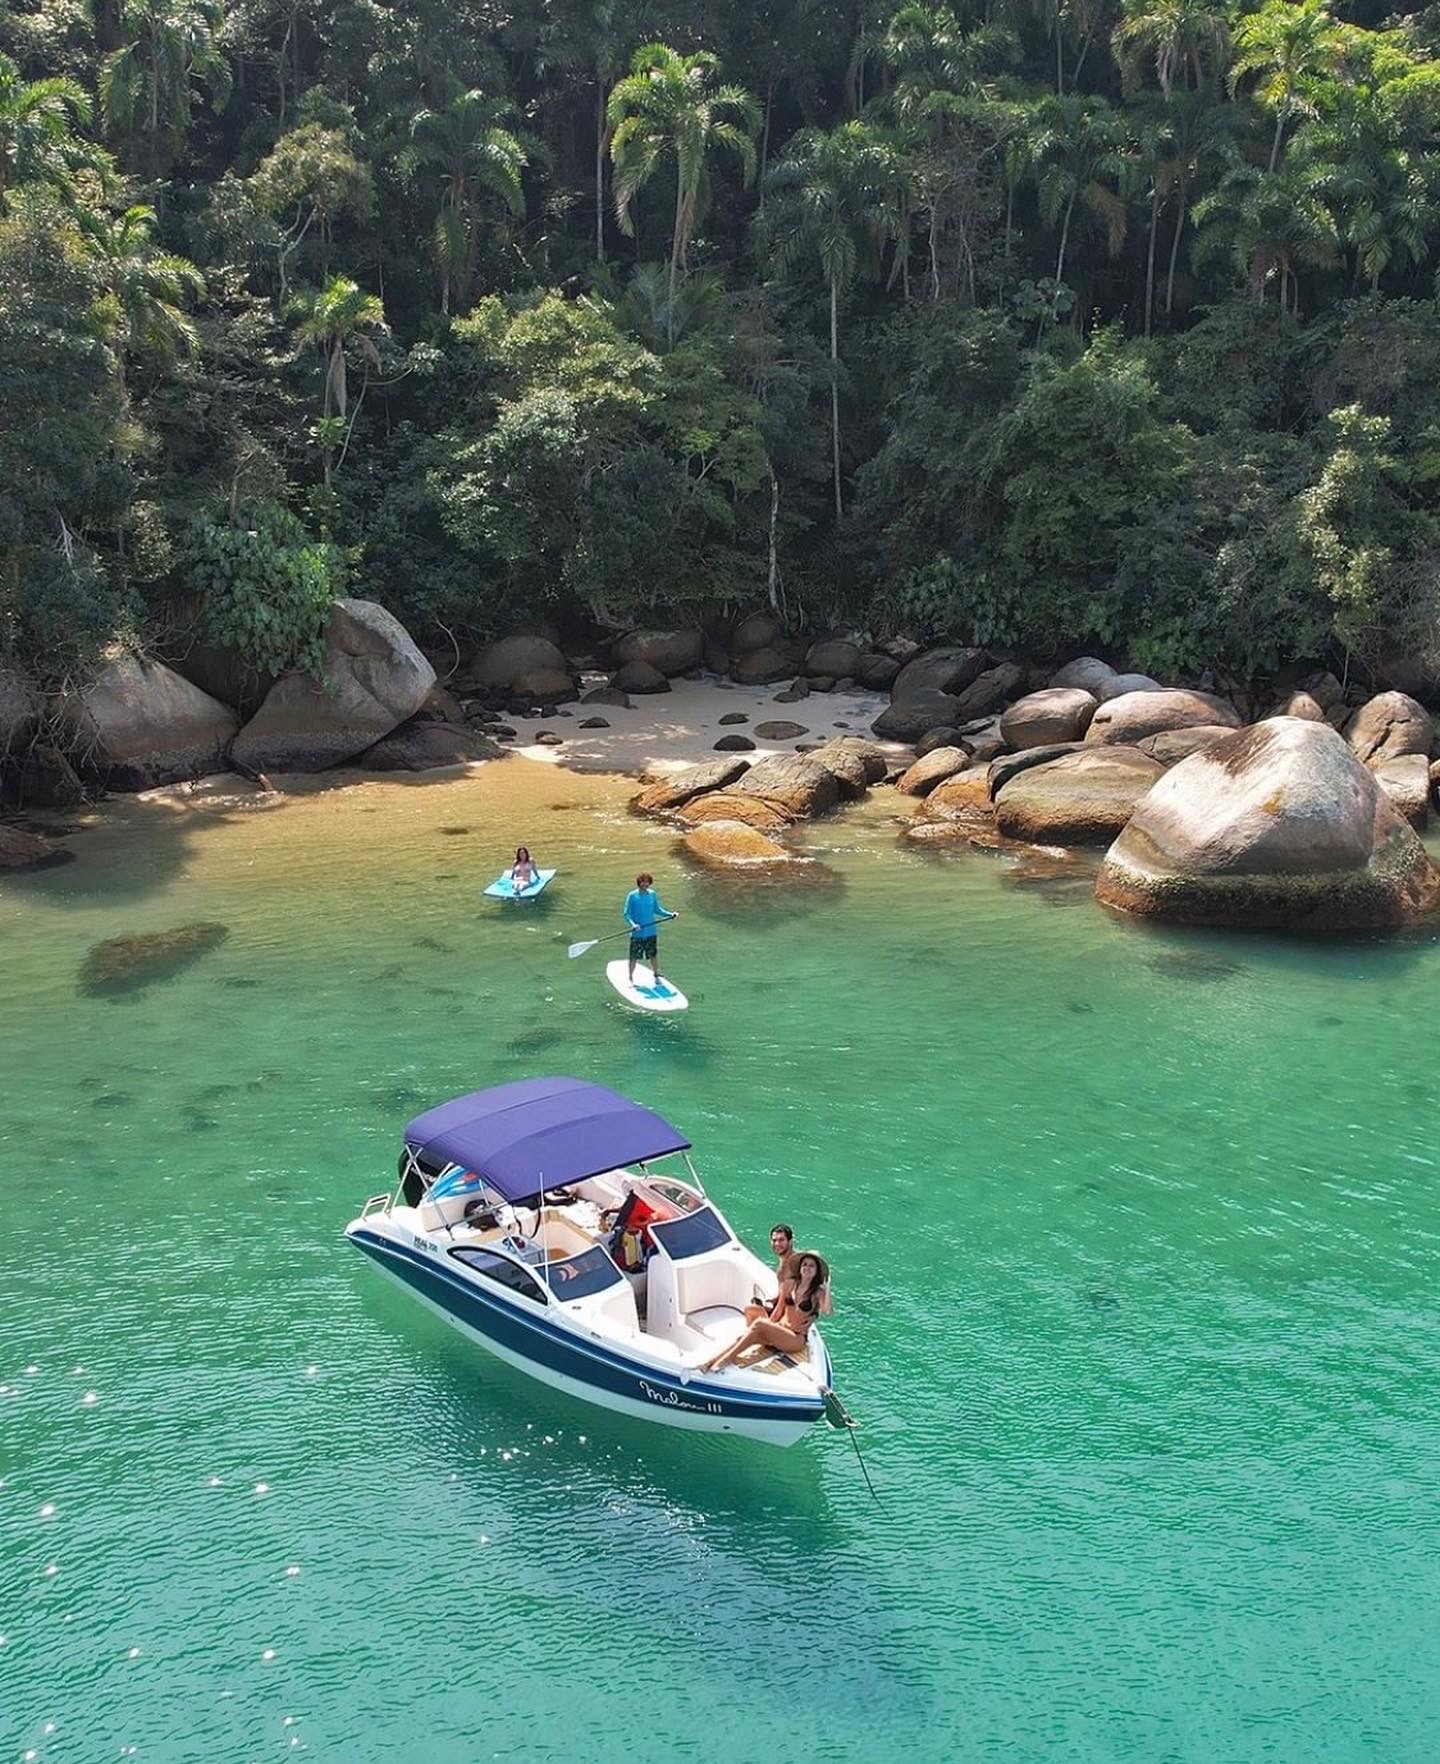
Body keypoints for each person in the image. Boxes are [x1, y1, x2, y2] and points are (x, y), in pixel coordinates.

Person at [700, 1251, 829, 1373]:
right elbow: (779, 1309)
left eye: (812, 1266)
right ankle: (710, 1362)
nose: (807, 1268)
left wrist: (827, 1287)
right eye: (805, 1264)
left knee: (760, 1324)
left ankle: (725, 1360)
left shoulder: (817, 1292)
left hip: (795, 1338)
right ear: (800, 1267)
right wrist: (771, 1326)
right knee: (743, 1338)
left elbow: (827, 1311)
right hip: (780, 1330)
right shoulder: (789, 1284)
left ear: (817, 1271)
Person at [623, 871, 678, 985]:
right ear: (639, 883)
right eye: (643, 882)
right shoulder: (632, 896)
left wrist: (670, 914)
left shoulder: (652, 894)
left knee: (653, 955)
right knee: (634, 957)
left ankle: (656, 974)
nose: (645, 884)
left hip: (651, 932)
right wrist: (633, 925)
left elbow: (657, 910)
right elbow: (626, 914)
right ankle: (630, 978)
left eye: (647, 882)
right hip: (637, 934)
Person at [745, 1223, 798, 1324]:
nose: (777, 1244)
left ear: (790, 1241)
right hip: (781, 1308)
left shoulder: (793, 1265)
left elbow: (783, 1304)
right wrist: (773, 1301)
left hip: (788, 1316)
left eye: (781, 1240)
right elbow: (782, 1293)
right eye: (774, 1240)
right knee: (751, 1307)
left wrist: (770, 1323)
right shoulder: (784, 1260)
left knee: (753, 1316)